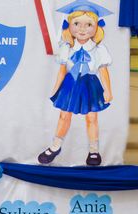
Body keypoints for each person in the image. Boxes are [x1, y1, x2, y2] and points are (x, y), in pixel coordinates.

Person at [37, 1, 114, 166]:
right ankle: (55, 146)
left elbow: (103, 71)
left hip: (90, 85)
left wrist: (108, 90)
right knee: (64, 115)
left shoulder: (99, 50)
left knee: (91, 117)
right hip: (70, 84)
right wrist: (55, 89)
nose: (82, 29)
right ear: (69, 26)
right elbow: (62, 71)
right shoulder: (67, 48)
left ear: (97, 27)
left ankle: (93, 150)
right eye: (77, 24)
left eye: (88, 25)